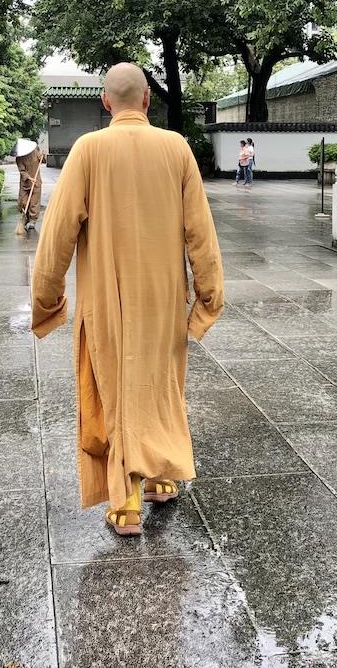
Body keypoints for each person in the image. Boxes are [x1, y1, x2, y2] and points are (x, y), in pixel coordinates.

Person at [32, 62, 224, 537]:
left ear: (104, 102)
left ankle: (128, 499)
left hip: (106, 298)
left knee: (116, 387)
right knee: (159, 385)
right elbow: (201, 234)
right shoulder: (176, 148)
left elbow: (56, 237)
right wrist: (208, 299)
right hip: (162, 298)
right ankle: (159, 475)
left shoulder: (88, 150)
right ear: (145, 101)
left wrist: (47, 298)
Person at [14, 138, 46, 234]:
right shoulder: (19, 157)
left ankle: (32, 221)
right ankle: (26, 218)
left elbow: (43, 161)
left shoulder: (35, 151)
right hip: (25, 183)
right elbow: (22, 171)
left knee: (34, 203)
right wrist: (28, 177)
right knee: (23, 202)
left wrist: (43, 157)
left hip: (36, 182)